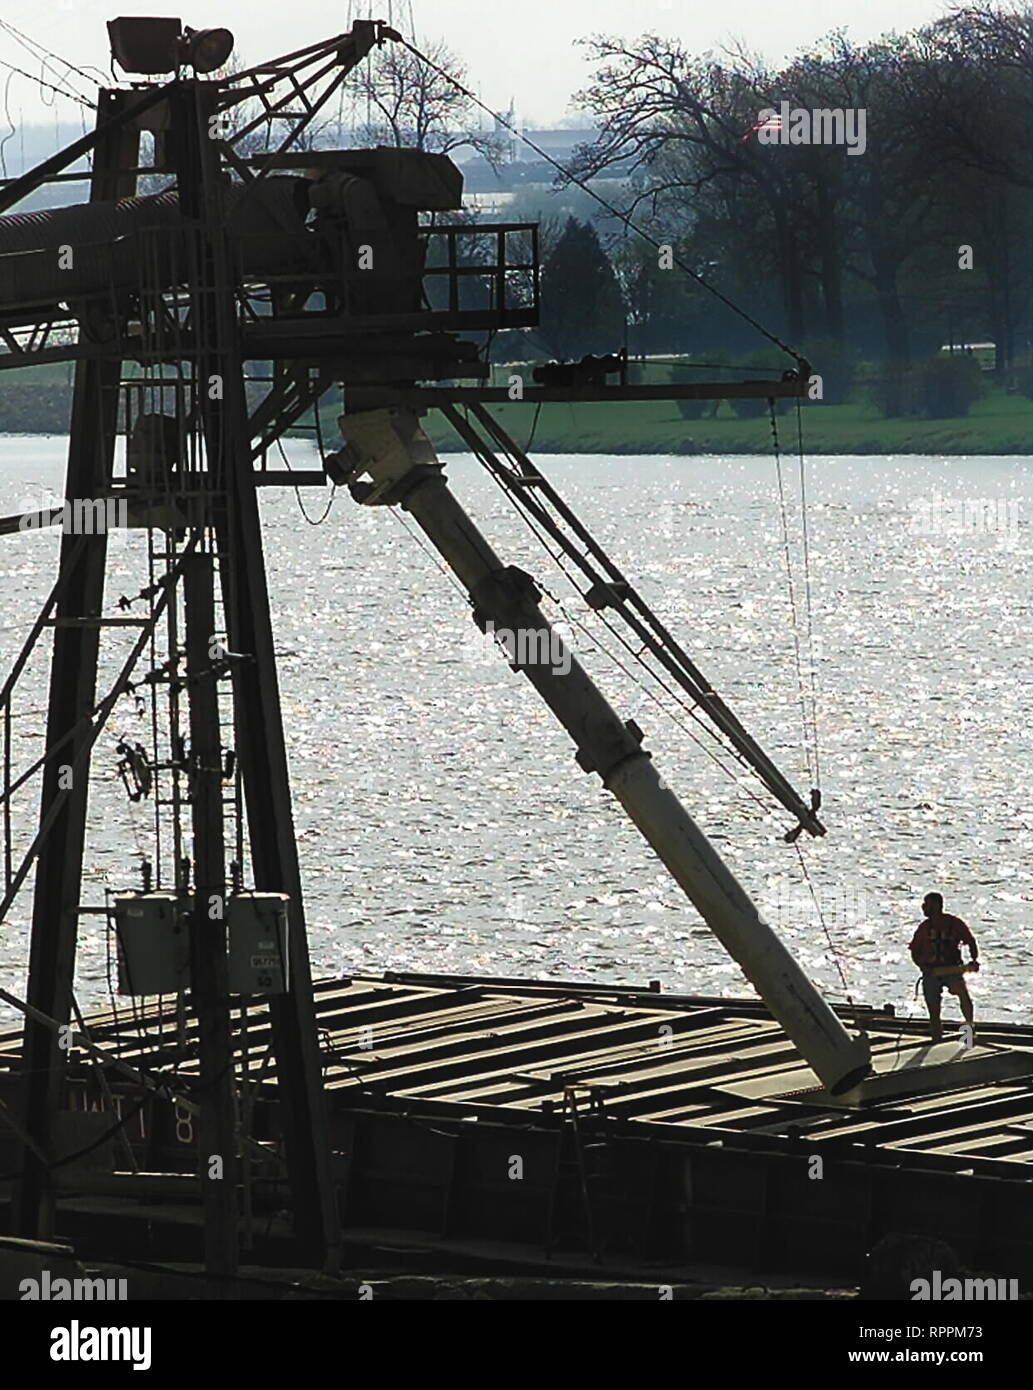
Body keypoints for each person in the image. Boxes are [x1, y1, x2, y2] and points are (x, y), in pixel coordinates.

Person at [909, 892, 979, 1043]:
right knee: (934, 1010)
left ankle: (969, 1031)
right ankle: (937, 1040)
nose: (923, 907)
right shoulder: (924, 928)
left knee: (962, 994)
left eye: (926, 904)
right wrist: (922, 966)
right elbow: (914, 951)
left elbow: (970, 941)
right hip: (931, 972)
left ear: (935, 906)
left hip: (952, 969)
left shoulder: (954, 923)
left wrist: (974, 959)